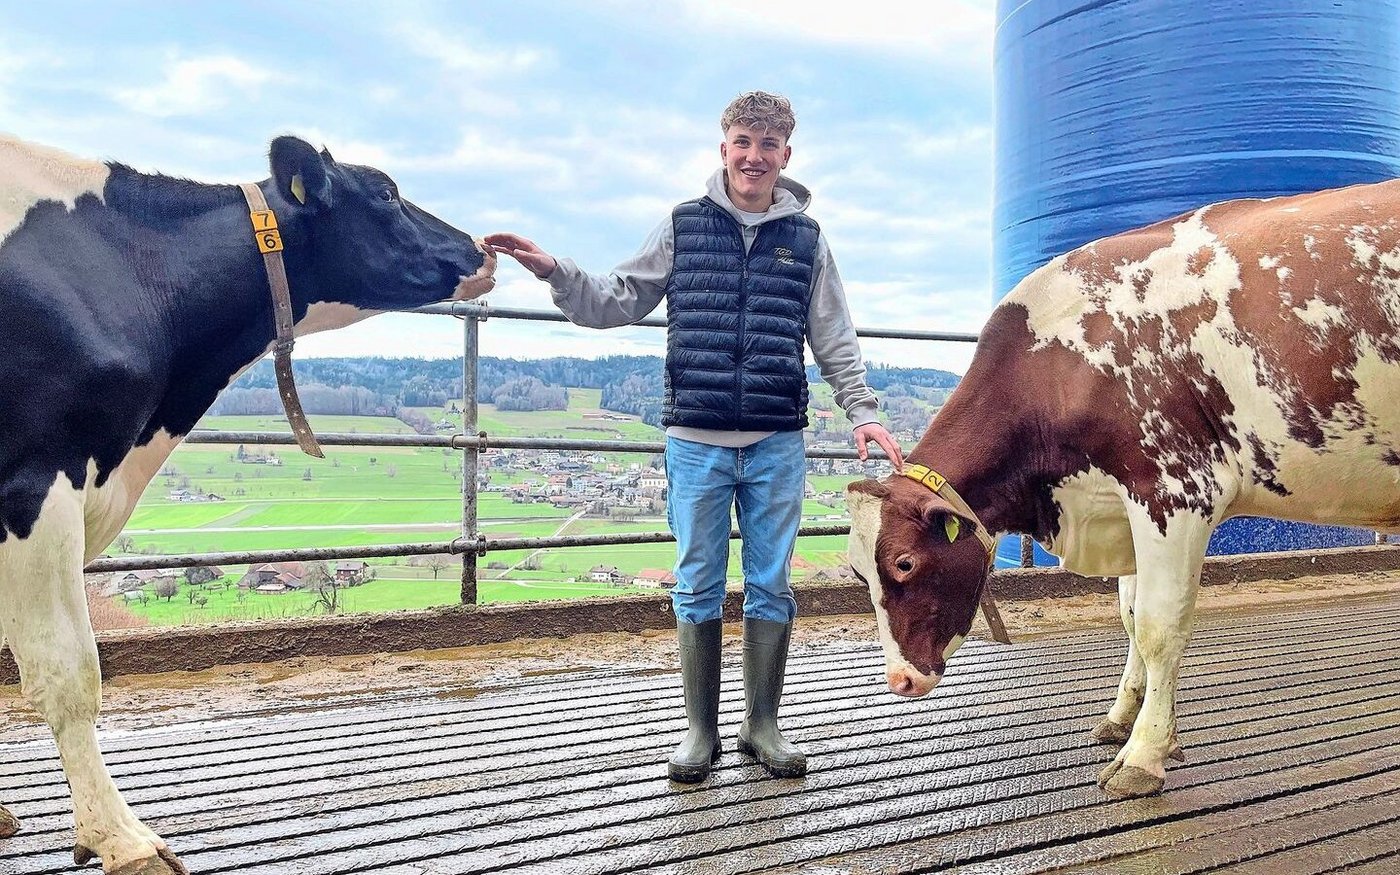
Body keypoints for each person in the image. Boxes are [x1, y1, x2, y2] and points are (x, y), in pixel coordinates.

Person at [486, 90, 903, 783]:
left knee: (770, 584)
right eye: (743, 141)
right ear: (724, 149)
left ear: (785, 156)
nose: (754, 156)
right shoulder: (683, 225)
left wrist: (861, 409)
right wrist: (554, 271)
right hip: (696, 438)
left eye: (768, 145)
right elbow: (617, 297)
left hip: (774, 439)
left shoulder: (807, 239)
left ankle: (762, 724)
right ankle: (700, 731)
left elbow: (833, 335)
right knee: (698, 582)